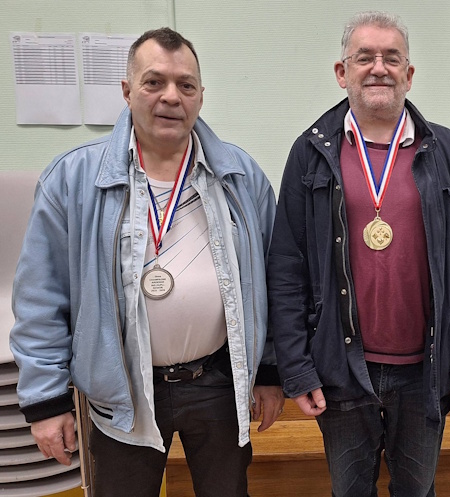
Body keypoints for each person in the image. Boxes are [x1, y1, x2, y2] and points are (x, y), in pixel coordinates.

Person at [10, 27, 284, 497]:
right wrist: (45, 400)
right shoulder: (73, 179)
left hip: (218, 383)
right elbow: (41, 296)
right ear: (127, 91)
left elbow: (273, 282)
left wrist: (270, 372)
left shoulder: (240, 176)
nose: (171, 97)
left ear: (201, 96)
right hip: (122, 394)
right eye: (154, 82)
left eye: (185, 85)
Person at [267, 10, 450, 497]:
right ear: (342, 72)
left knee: (417, 491)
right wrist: (296, 367)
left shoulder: (449, 153)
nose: (379, 68)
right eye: (365, 57)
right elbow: (287, 269)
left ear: (408, 74)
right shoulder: (310, 153)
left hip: (426, 370)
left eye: (392, 58)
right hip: (340, 368)